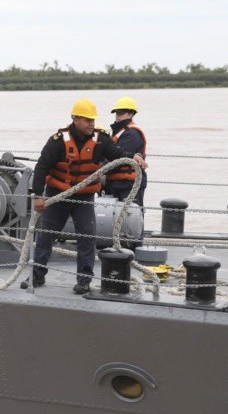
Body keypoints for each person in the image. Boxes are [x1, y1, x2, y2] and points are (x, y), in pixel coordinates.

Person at [30, 98, 147, 294]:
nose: (92, 124)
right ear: (75, 120)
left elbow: (116, 153)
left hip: (83, 198)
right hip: (58, 195)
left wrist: (133, 156)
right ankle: (37, 275)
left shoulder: (100, 140)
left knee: (87, 237)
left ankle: (84, 279)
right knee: (46, 236)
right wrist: (37, 196)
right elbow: (41, 167)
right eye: (87, 120)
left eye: (93, 120)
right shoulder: (57, 141)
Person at [104, 96, 147, 207]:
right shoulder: (119, 132)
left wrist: (98, 170)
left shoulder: (131, 134)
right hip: (116, 183)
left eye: (121, 113)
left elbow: (119, 160)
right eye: (116, 113)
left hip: (128, 185)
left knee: (131, 219)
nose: (117, 116)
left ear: (131, 114)